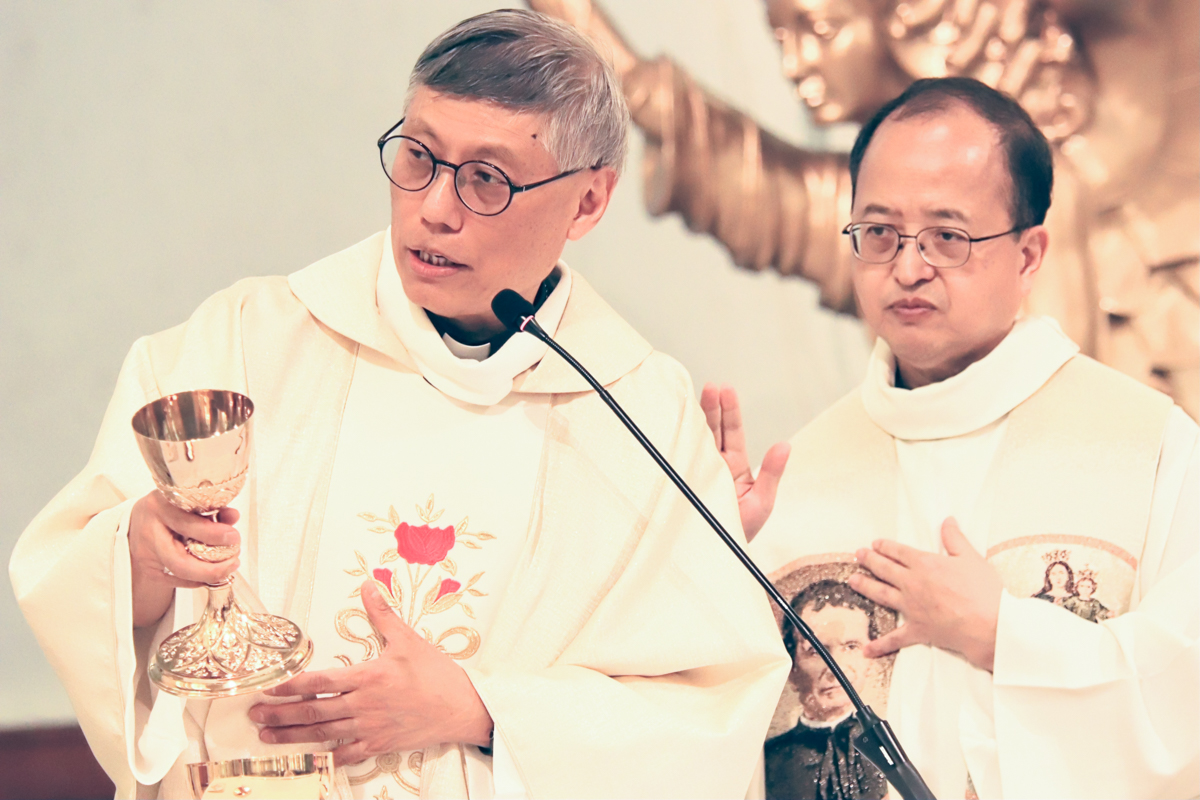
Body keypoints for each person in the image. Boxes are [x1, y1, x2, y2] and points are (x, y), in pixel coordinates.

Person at [8, 11, 790, 799]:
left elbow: (708, 715)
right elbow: (72, 581)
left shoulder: (644, 418)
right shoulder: (240, 346)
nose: (435, 208)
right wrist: (143, 556)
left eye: (486, 179)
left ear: (589, 201)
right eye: (418, 157)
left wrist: (482, 710)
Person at [705, 77, 1199, 798]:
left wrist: (1003, 635)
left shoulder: (1150, 448)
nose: (908, 269)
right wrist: (708, 570)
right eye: (879, 233)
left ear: (1029, 255)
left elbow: (1186, 695)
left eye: (948, 237)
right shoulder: (797, 476)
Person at [531, 0, 1200, 419]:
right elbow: (735, 170)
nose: (796, 63)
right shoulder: (858, 214)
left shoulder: (1064, 189)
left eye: (818, 29)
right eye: (879, 234)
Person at [764, 579, 890, 800]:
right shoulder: (770, 761)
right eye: (815, 651)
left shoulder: (892, 745)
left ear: (870, 660)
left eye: (850, 647)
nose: (835, 669)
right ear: (792, 667)